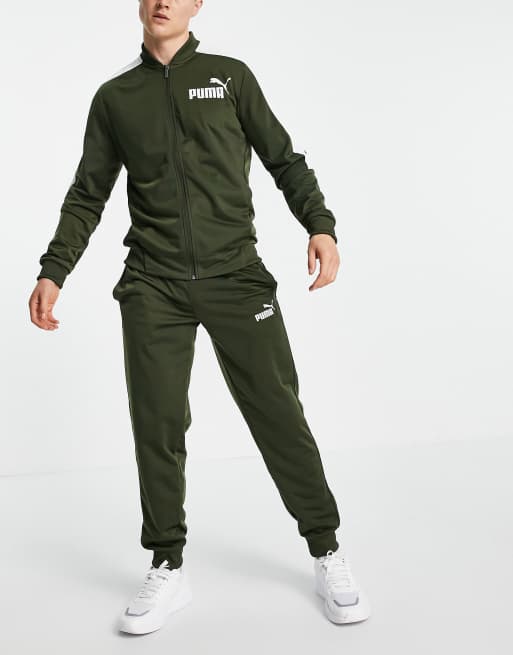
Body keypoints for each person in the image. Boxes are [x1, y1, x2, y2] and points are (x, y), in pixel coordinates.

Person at [29, 0, 371, 632]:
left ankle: (326, 549)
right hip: (152, 283)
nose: (162, 1)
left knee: (277, 410)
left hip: (235, 275)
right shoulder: (115, 98)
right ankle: (167, 563)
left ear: (196, 5)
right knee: (157, 421)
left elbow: (283, 159)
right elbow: (88, 193)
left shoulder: (230, 76)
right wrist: (55, 269)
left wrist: (319, 225)